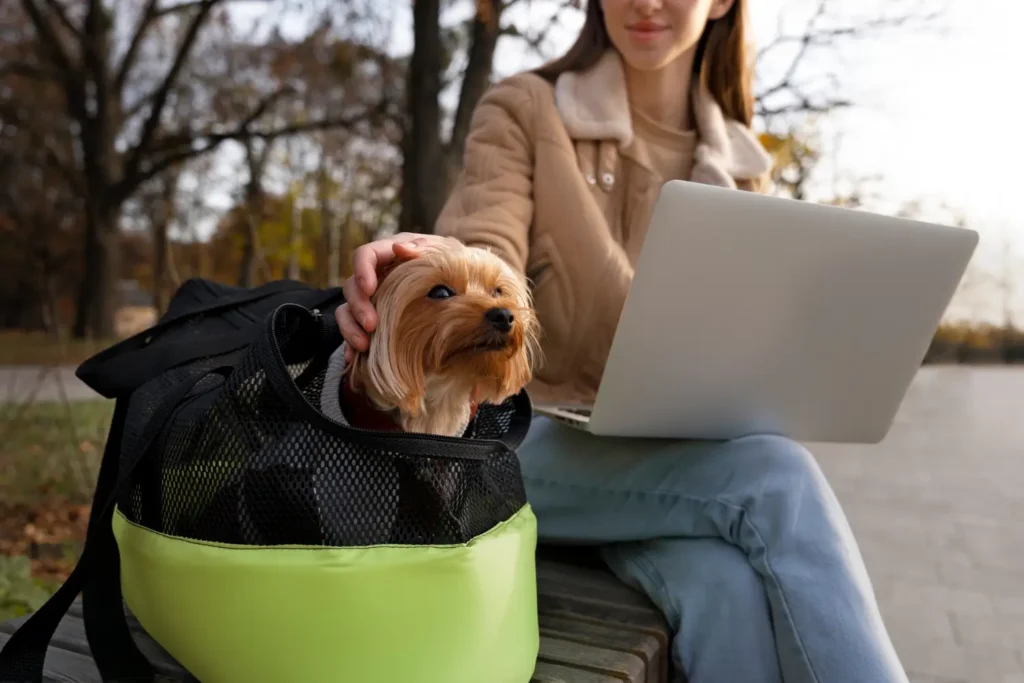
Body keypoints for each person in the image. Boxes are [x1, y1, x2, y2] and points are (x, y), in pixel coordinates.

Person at [335, 1, 908, 681]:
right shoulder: (527, 109)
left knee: (722, 586)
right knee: (775, 477)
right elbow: (483, 248)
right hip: (528, 441)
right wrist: (416, 258)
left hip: (665, 469)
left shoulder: (744, 168)